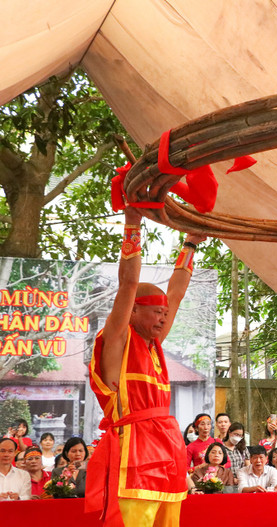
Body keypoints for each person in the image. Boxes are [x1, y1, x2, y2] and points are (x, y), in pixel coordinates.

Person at [85, 206, 203, 526]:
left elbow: (175, 296)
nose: (164, 318)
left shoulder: (154, 346)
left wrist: (190, 245)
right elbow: (129, 283)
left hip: (168, 451)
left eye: (164, 314)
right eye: (156, 312)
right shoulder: (118, 342)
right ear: (133, 311)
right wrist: (132, 223)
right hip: (133, 453)